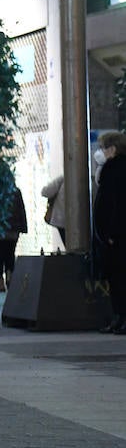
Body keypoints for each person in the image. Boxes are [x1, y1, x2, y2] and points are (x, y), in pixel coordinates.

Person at [92, 131, 126, 334]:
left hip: (118, 236)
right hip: (112, 235)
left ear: (112, 148)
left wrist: (112, 232)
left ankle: (122, 316)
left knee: (120, 278)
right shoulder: (110, 169)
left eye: (103, 147)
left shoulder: (117, 169)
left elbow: (118, 204)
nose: (101, 151)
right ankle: (119, 317)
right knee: (115, 279)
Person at [0, 174, 28, 293]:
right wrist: (23, 227)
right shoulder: (15, 191)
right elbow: (21, 210)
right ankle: (10, 277)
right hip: (13, 230)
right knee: (10, 254)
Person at [42, 175, 67, 248]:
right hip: (81, 220)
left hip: (61, 219)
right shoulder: (87, 179)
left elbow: (45, 192)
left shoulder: (62, 179)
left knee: (69, 248)